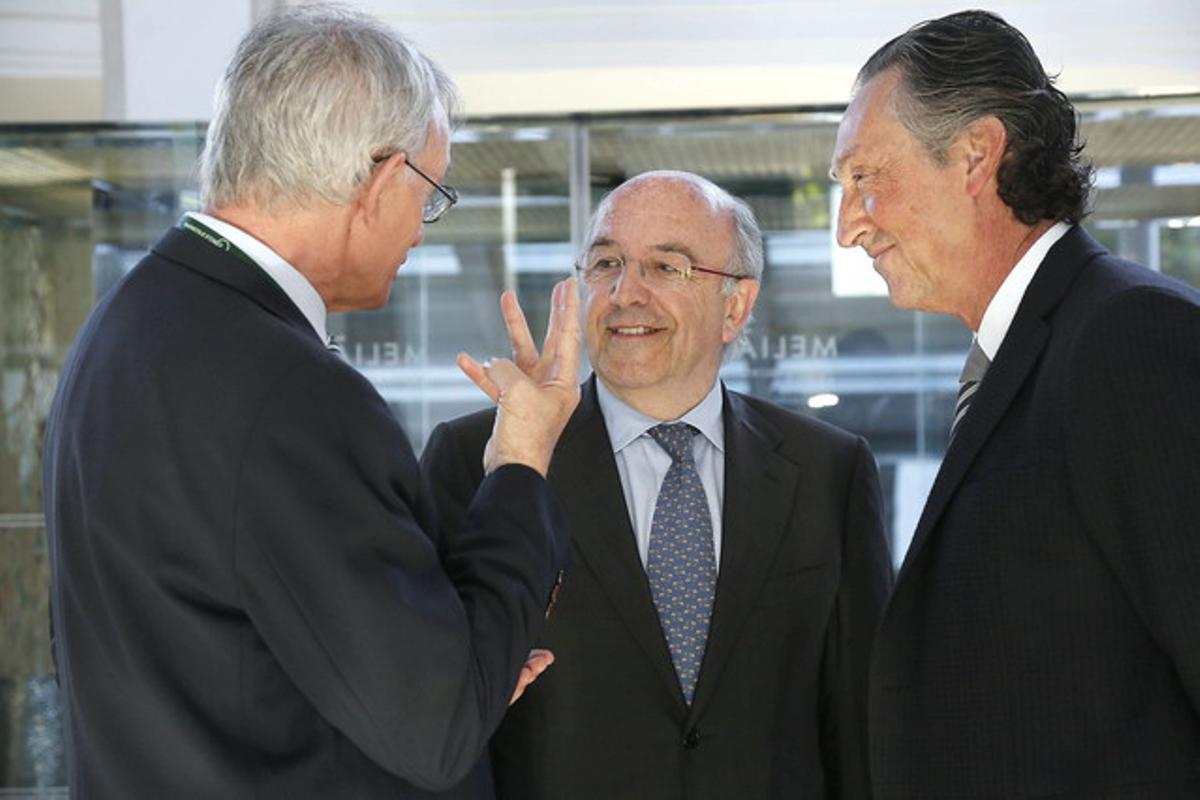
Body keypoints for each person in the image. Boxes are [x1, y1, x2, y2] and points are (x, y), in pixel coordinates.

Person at [42, 7, 580, 797]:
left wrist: (454, 660)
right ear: (382, 179)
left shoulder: (128, 326)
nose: (420, 233)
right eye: (430, 193)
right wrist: (520, 462)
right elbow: (436, 726)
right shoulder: (289, 391)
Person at [421, 170, 893, 799]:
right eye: (606, 262)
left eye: (666, 267)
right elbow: (433, 716)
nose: (625, 293)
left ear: (736, 305)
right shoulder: (481, 457)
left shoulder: (828, 471)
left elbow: (860, 724)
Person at [831, 10, 1200, 799]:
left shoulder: (1130, 337)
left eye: (865, 177)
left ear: (975, 154)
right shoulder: (1030, 354)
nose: (846, 226)